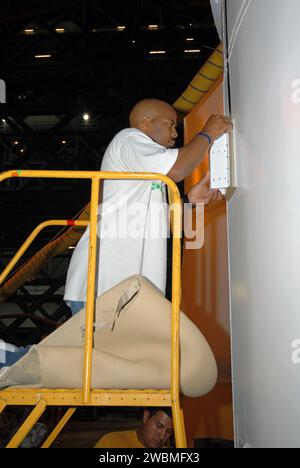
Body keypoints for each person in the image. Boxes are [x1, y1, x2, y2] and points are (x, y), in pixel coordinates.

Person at [64, 99, 232, 315]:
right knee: (93, 350)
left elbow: (157, 220)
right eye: (169, 124)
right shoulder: (129, 139)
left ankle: (11, 351)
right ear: (146, 123)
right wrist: (207, 135)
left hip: (122, 289)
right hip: (104, 283)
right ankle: (9, 351)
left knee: (99, 350)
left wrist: (190, 200)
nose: (175, 133)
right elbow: (178, 169)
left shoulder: (147, 173)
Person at [94, 407, 174, 449]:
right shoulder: (111, 442)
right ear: (145, 417)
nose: (162, 436)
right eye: (159, 426)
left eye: (169, 431)